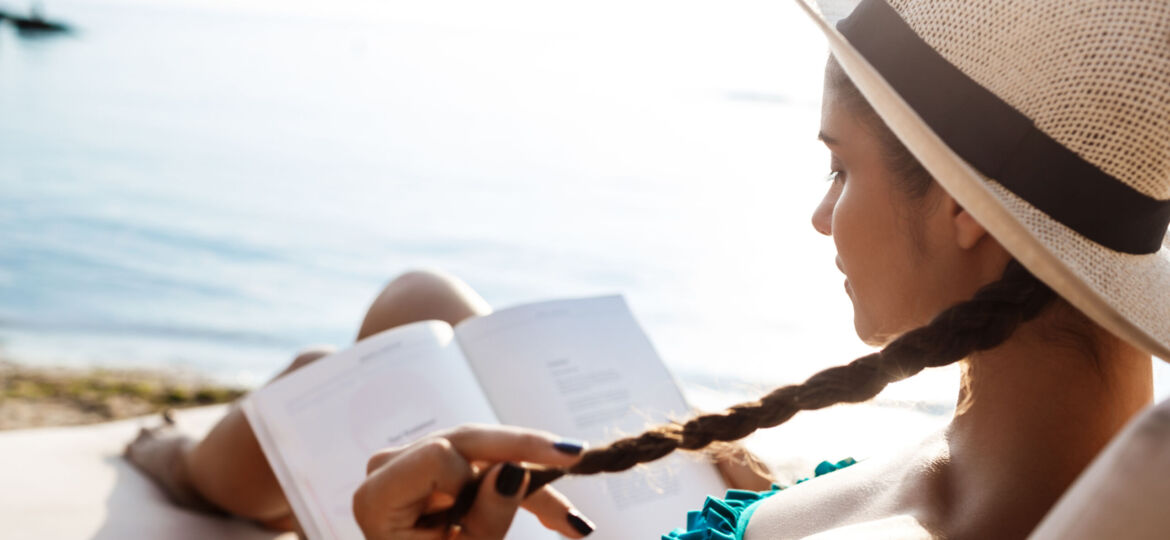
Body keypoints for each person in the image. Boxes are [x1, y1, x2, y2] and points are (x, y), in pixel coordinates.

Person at [127, 0, 1170, 538]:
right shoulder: (1072, 459)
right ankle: (190, 461)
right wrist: (752, 473)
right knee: (422, 314)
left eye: (837, 166)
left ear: (962, 210)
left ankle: (176, 466)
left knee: (371, 365)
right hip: (682, 500)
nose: (821, 217)